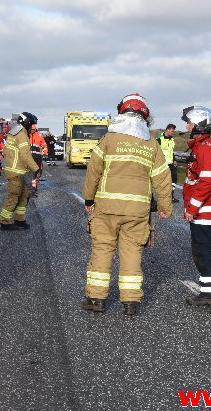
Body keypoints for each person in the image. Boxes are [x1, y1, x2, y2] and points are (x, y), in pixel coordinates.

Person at [81, 93, 173, 316]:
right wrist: (164, 208)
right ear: (145, 118)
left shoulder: (109, 140)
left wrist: (89, 198)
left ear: (122, 113)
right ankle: (131, 302)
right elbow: (162, 178)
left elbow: (94, 171)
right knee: (132, 253)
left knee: (103, 249)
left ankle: (96, 299)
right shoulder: (151, 144)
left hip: (107, 208)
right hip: (137, 212)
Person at [181, 106, 211, 306]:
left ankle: (209, 294)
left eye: (189, 122)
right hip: (207, 209)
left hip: (203, 211)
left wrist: (192, 209)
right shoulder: (205, 145)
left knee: (203, 251)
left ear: (198, 124)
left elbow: (206, 182)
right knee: (210, 248)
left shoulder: (204, 148)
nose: (187, 126)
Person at [0, 112, 39, 231]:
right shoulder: (21, 135)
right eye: (32, 125)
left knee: (24, 195)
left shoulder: (13, 132)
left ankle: (20, 219)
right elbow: (26, 155)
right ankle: (5, 221)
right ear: (27, 123)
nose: (33, 128)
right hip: (17, 171)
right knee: (14, 196)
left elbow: (5, 152)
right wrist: (35, 168)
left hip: (18, 170)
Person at [157, 123, 179, 203]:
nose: (173, 132)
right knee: (162, 181)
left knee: (174, 179)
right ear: (167, 130)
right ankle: (162, 197)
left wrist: (174, 160)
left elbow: (171, 151)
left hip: (171, 163)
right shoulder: (159, 139)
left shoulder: (172, 139)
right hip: (162, 164)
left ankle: (171, 196)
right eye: (172, 131)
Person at [29, 124, 48, 193]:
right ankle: (33, 187)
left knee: (38, 171)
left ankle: (34, 185)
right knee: (30, 172)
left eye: (33, 129)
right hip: (29, 157)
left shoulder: (39, 136)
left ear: (35, 129)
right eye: (31, 129)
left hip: (37, 157)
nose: (31, 130)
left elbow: (44, 145)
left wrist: (46, 153)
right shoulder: (26, 136)